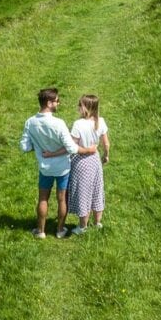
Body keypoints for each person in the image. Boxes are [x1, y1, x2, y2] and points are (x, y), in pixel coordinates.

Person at [20, 87, 98, 239]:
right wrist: (89, 150)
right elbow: (71, 148)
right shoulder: (59, 123)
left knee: (43, 198)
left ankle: (40, 231)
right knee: (62, 199)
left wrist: (38, 146)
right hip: (63, 168)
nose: (59, 103)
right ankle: (60, 230)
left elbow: (24, 146)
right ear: (49, 103)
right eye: (57, 101)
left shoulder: (30, 122)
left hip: (45, 168)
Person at [66, 94, 110, 234]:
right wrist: (106, 155)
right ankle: (97, 222)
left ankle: (82, 227)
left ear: (87, 108)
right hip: (95, 160)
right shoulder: (101, 121)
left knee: (83, 192)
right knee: (97, 189)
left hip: (81, 161)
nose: (78, 107)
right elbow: (106, 143)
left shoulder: (78, 124)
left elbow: (72, 145)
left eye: (80, 105)